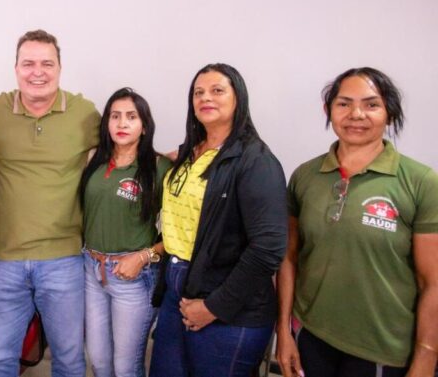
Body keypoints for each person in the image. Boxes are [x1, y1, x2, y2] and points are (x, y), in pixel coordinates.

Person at [276, 67, 438, 377]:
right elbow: (289, 258)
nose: (356, 114)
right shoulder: (306, 176)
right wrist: (283, 331)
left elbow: (433, 282)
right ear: (328, 110)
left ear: (389, 113)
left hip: (381, 349)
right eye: (344, 103)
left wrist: (426, 358)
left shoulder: (421, 182)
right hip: (311, 335)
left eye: (371, 104)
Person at [148, 63, 287, 377]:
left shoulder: (256, 161)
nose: (205, 98)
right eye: (198, 92)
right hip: (176, 287)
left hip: (228, 304)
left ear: (238, 98)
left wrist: (214, 307)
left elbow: (268, 248)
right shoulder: (190, 153)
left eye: (217, 90)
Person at [0, 29, 101, 377]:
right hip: (4, 258)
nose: (38, 72)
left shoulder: (84, 112)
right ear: (15, 68)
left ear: (60, 68)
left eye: (47, 64)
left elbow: (124, 152)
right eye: (28, 63)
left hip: (63, 258)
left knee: (69, 358)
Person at [79, 88, 171, 377]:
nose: (122, 123)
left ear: (144, 126)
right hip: (92, 268)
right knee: (99, 361)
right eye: (115, 116)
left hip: (133, 275)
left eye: (131, 117)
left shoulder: (159, 167)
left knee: (125, 367)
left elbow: (179, 233)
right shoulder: (93, 159)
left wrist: (143, 257)